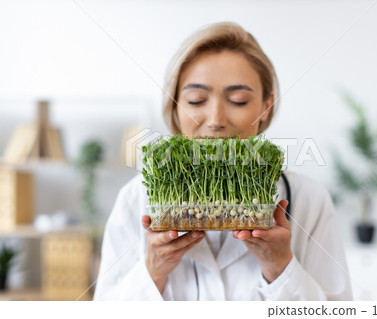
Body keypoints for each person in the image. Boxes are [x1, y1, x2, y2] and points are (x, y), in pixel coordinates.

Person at [93, 22, 352, 301]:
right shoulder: (135, 198)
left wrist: (280, 267)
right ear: (175, 106)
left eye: (238, 100)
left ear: (266, 106)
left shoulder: (309, 199)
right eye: (196, 100)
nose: (216, 120)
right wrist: (153, 270)